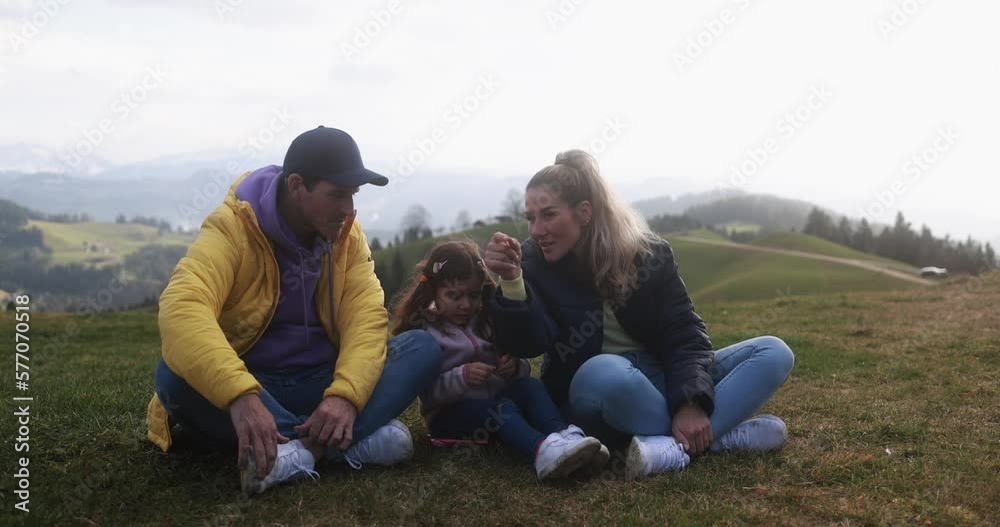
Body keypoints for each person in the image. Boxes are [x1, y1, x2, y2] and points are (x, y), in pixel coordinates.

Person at [146, 126, 443, 495]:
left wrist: (344, 397)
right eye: (335, 195)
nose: (347, 209)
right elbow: (183, 307)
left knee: (423, 347)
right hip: (256, 386)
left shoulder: (347, 234)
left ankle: (296, 452)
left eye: (352, 195)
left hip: (322, 382)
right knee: (172, 377)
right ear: (297, 186)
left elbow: (366, 318)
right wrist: (241, 396)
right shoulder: (232, 227)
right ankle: (347, 443)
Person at [484, 150, 794, 479]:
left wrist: (691, 402)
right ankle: (718, 436)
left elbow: (684, 333)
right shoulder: (532, 261)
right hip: (593, 392)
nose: (536, 229)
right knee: (605, 370)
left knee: (773, 352)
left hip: (659, 381)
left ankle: (673, 445)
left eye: (548, 215)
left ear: (584, 213)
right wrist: (512, 282)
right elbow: (530, 343)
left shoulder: (649, 253)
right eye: (531, 217)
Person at [391, 240, 609, 479]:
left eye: (473, 295)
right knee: (501, 409)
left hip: (493, 404)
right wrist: (462, 376)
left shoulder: (486, 321)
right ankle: (542, 451)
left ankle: (567, 437)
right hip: (449, 418)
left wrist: (515, 366)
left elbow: (519, 365)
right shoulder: (428, 334)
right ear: (433, 293)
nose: (466, 305)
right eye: (454, 296)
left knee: (530, 386)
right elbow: (429, 393)